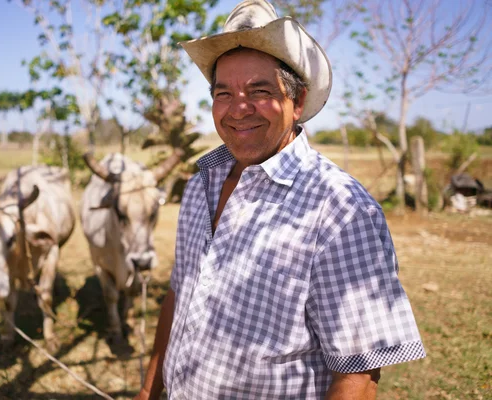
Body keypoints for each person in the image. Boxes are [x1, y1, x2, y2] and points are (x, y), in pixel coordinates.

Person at [135, 1, 425, 398]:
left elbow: (357, 375)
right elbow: (179, 295)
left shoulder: (338, 209)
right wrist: (150, 391)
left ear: (298, 102)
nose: (238, 108)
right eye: (224, 93)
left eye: (260, 91)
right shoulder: (201, 183)